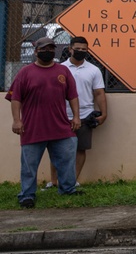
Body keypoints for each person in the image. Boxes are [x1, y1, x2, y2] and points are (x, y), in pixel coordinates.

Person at [8, 37, 81, 208]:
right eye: (43, 49)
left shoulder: (63, 71)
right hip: (33, 128)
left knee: (66, 160)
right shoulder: (25, 73)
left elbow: (73, 96)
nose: (47, 51)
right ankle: (27, 195)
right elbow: (15, 99)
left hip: (60, 127)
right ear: (36, 51)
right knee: (29, 166)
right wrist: (16, 121)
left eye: (50, 48)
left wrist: (76, 117)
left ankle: (68, 188)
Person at [58, 37, 107, 186]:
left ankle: (73, 181)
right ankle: (54, 182)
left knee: (81, 149)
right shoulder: (60, 69)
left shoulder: (94, 70)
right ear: (70, 49)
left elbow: (99, 93)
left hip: (85, 115)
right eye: (77, 49)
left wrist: (104, 114)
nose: (80, 52)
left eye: (84, 50)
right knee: (58, 151)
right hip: (62, 115)